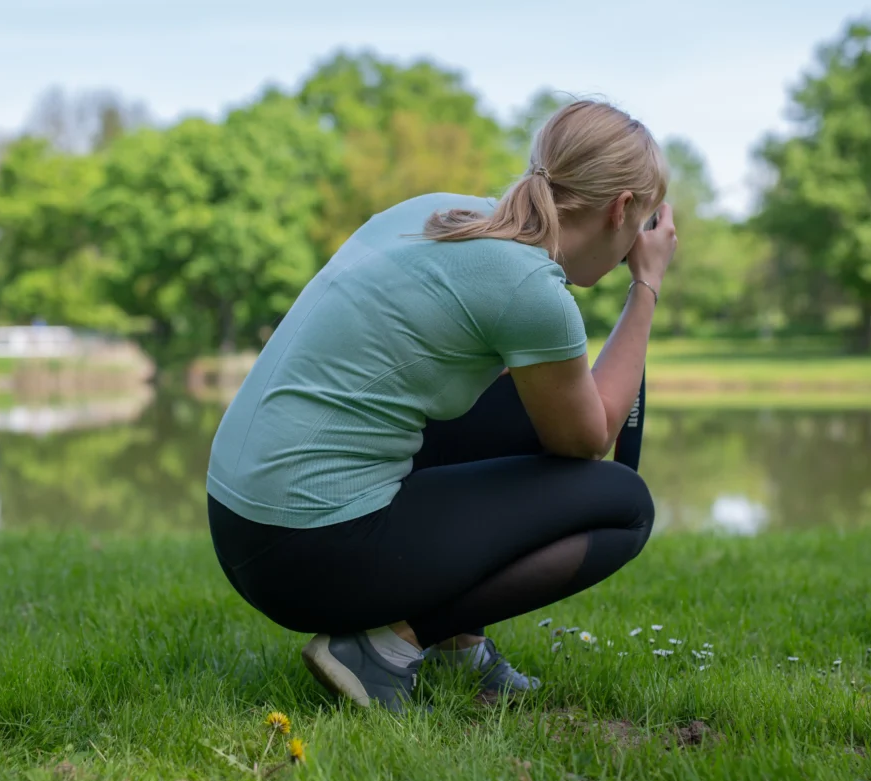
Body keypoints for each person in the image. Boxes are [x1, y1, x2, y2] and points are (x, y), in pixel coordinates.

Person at [205, 100, 677, 711]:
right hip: (306, 552)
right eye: (639, 221)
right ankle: (383, 650)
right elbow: (590, 440)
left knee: (522, 413)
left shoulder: (442, 215)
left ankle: (459, 648)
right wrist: (647, 286)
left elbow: (548, 413)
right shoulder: (526, 286)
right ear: (620, 210)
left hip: (243, 523)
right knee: (624, 506)